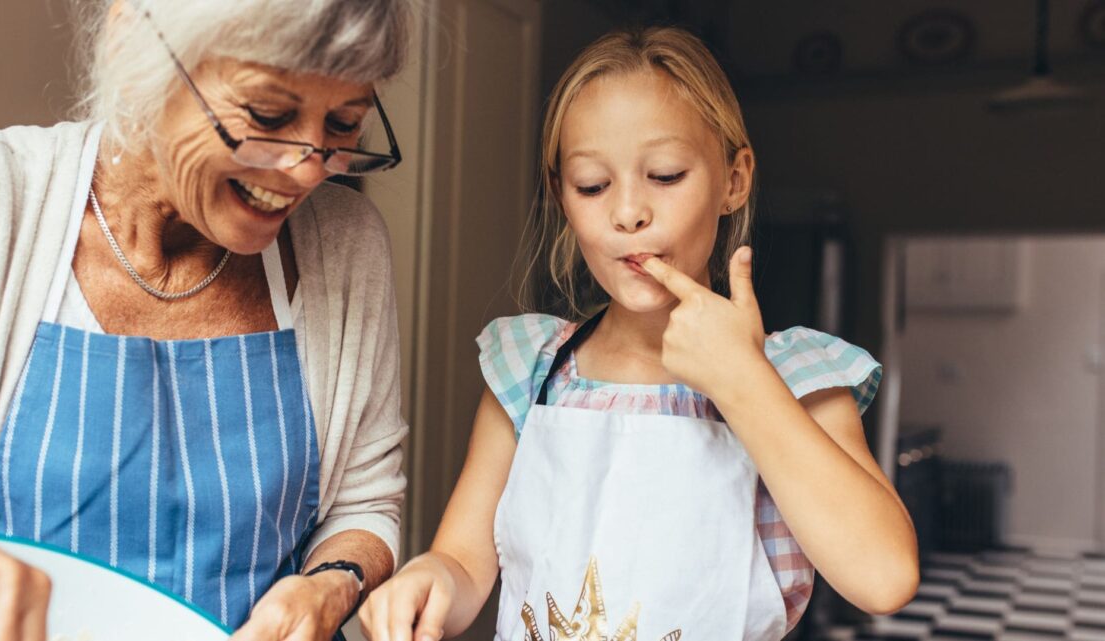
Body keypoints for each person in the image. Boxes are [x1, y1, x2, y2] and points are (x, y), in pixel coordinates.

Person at [359, 26, 919, 641]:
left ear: (734, 180)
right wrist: (432, 578)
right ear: (561, 199)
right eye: (593, 186)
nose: (628, 213)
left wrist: (745, 383)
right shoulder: (528, 369)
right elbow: (464, 561)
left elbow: (884, 578)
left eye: (666, 175)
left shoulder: (798, 377)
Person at [0, 1, 412, 639]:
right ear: (133, 44)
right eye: (269, 115)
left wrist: (331, 585)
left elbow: (366, 499)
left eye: (343, 124)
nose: (308, 168)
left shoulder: (348, 246)